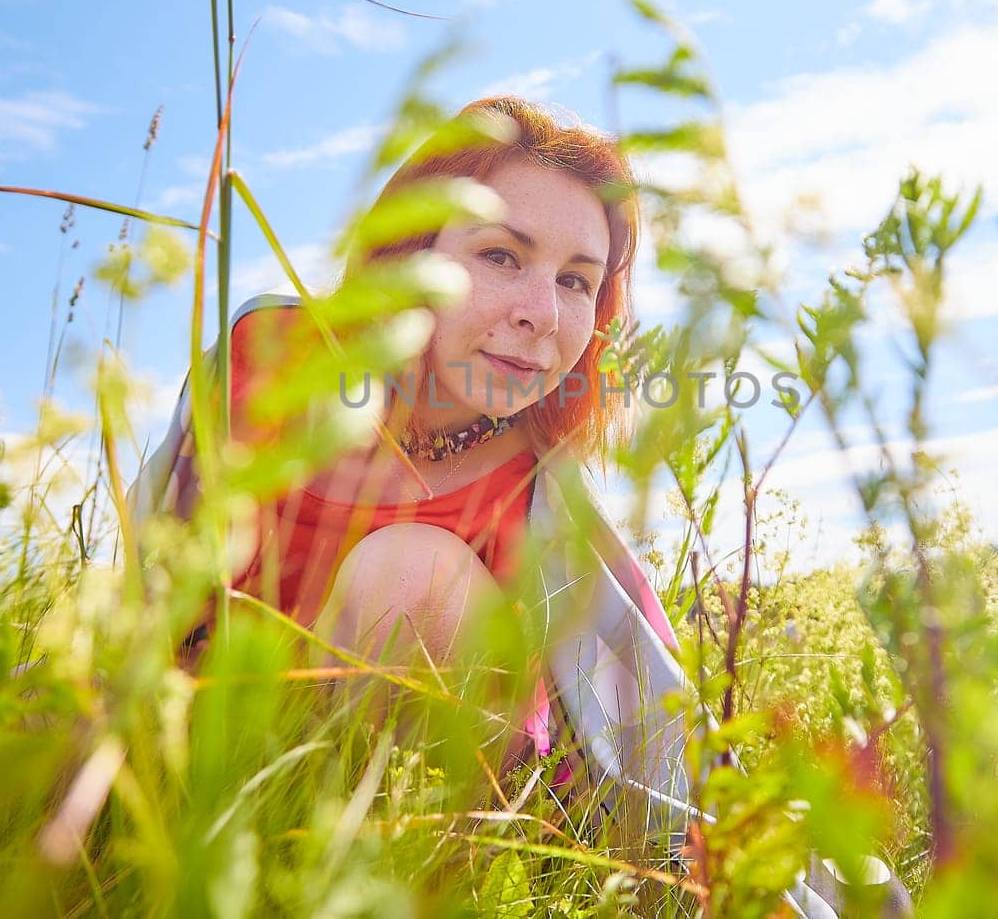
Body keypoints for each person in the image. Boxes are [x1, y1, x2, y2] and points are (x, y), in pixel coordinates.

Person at [129, 97, 905, 918]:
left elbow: (648, 715)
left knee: (412, 576)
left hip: (454, 817)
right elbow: (148, 589)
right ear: (410, 251)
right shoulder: (266, 359)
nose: (542, 312)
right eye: (501, 255)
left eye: (577, 280)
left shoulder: (545, 491)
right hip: (216, 755)